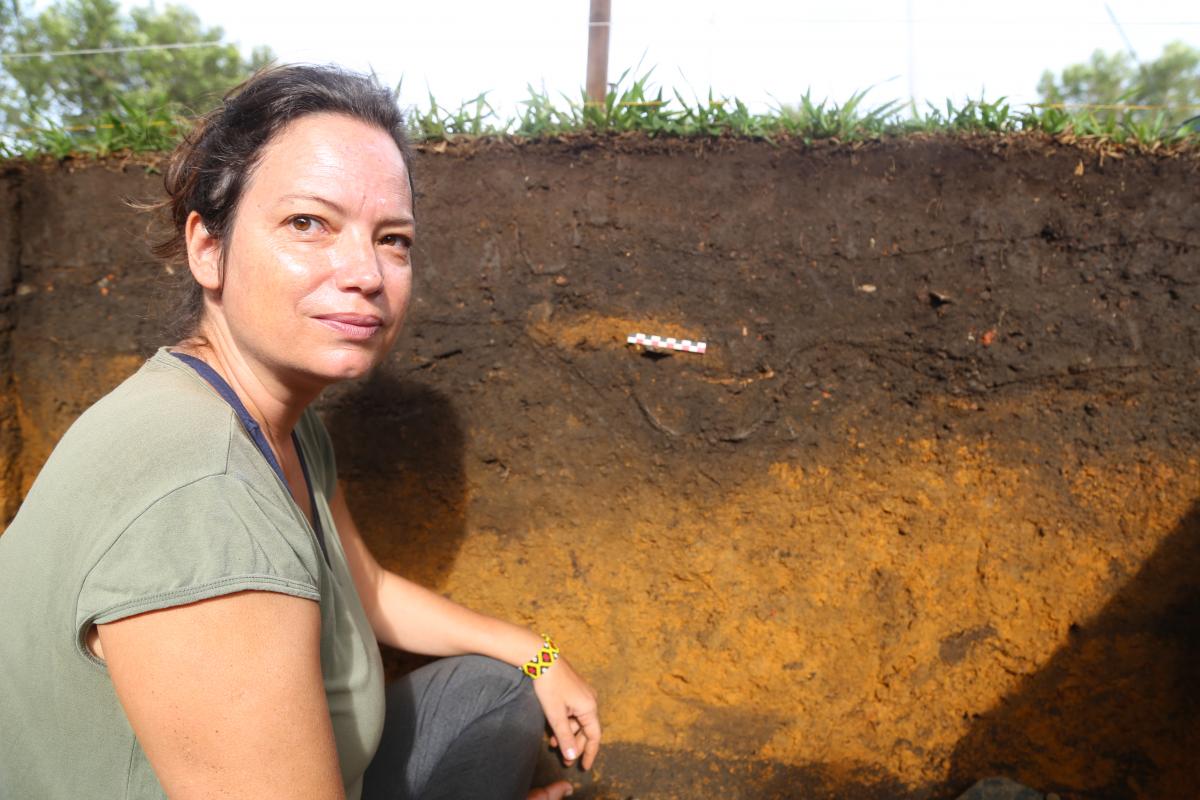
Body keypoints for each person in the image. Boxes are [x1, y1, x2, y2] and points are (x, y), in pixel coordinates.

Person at [0, 64, 600, 800]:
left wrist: (537, 653)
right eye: (308, 223)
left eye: (393, 239)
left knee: (494, 690)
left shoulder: (281, 422)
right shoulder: (203, 492)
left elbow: (368, 587)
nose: (365, 273)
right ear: (207, 248)